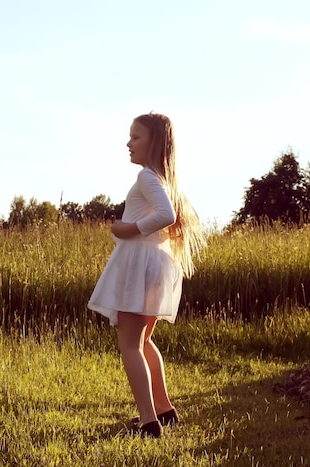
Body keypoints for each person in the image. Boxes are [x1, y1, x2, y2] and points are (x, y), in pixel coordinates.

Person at [88, 112, 206, 438]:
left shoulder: (147, 178)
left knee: (129, 345)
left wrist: (128, 228)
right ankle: (165, 411)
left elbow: (165, 216)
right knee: (143, 341)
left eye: (135, 137)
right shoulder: (164, 180)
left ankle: (148, 422)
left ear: (153, 142)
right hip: (157, 265)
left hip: (140, 264)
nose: (128, 143)